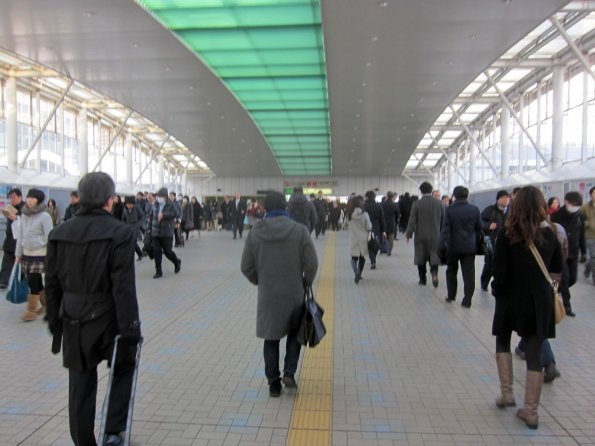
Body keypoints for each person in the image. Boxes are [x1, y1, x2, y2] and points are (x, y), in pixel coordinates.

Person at [45, 172, 141, 446]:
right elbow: (123, 287)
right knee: (123, 368)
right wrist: (131, 329)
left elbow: (51, 284)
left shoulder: (59, 233)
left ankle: (83, 440)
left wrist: (55, 323)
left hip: (73, 319)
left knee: (80, 384)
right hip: (110, 318)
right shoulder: (121, 233)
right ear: (109, 201)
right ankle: (112, 432)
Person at [491, 186, 563, 430]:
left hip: (510, 298)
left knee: (503, 340)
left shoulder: (508, 233)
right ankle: (531, 412)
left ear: (517, 205)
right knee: (534, 352)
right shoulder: (551, 233)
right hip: (539, 300)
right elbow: (556, 269)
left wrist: (497, 289)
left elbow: (498, 270)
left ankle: (507, 393)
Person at [241, 191, 318, 397]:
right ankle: (289, 372)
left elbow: (245, 266)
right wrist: (305, 281)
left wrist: (260, 280)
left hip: (268, 294)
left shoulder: (255, 233)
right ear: (285, 207)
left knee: (271, 337)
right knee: (294, 333)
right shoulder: (299, 231)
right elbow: (312, 263)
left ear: (264, 208)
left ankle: (273, 383)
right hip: (293, 291)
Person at [438, 186, 482, 308]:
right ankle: (467, 300)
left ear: (454, 196)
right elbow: (479, 228)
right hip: (469, 247)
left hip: (453, 246)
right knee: (469, 274)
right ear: (467, 196)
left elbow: (445, 230)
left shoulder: (450, 210)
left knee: (451, 271)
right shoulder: (475, 209)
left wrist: (440, 246)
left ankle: (451, 295)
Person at [15, 188, 53, 321]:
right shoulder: (24, 214)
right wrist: (18, 254)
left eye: (33, 197)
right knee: (35, 280)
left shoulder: (45, 216)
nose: (30, 199)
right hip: (26, 252)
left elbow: (50, 236)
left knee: (32, 280)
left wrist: (51, 255)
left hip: (40, 253)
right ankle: (47, 305)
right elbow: (20, 235)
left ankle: (31, 310)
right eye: (29, 197)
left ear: (39, 200)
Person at [551, 191, 586, 317]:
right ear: (566, 202)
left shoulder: (580, 216)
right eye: (573, 204)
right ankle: (566, 305)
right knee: (563, 279)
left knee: (572, 279)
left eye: (578, 205)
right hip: (560, 253)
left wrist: (584, 251)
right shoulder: (556, 216)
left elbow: (581, 234)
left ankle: (555, 290)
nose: (575, 207)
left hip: (573, 252)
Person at [405, 182, 444, 287]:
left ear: (421, 191)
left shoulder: (416, 203)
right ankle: (434, 274)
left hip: (421, 235)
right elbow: (444, 220)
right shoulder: (439, 203)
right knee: (434, 256)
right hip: (436, 235)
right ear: (431, 191)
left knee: (421, 257)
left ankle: (422, 279)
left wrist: (408, 234)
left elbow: (412, 220)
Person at [147, 187, 181, 279]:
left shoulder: (171, 204)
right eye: (158, 196)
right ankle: (158, 271)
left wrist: (164, 215)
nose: (159, 198)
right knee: (157, 252)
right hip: (155, 232)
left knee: (168, 252)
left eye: (160, 196)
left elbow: (177, 213)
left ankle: (177, 262)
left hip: (167, 232)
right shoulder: (155, 204)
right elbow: (151, 216)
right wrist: (149, 228)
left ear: (165, 197)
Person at [480, 190, 510, 292]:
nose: (506, 199)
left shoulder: (511, 211)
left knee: (502, 262)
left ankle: (499, 282)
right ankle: (484, 283)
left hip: (506, 241)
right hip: (489, 240)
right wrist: (488, 226)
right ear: (498, 199)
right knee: (489, 263)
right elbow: (479, 222)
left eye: (507, 197)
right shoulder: (490, 210)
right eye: (503, 197)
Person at [0, 188, 24, 289]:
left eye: (13, 197)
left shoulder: (25, 207)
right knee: (6, 262)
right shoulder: (10, 207)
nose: (12, 200)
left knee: (23, 264)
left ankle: (23, 284)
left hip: (21, 240)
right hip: (10, 239)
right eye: (10, 198)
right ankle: (3, 282)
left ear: (20, 197)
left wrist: (17, 217)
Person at [347, 195, 372, 283]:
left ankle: (356, 271)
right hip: (363, 238)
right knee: (362, 257)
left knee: (353, 258)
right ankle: (360, 273)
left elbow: (348, 225)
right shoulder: (365, 214)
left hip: (353, 238)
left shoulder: (349, 214)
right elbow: (369, 227)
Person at [363, 191, 386, 269]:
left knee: (370, 246)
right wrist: (383, 231)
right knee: (375, 246)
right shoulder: (378, 206)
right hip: (376, 229)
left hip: (366, 229)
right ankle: (373, 260)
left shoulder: (363, 206)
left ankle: (373, 261)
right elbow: (382, 219)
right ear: (374, 197)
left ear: (366, 197)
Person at [122, 196, 146, 261]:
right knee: (132, 243)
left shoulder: (137, 207)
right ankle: (140, 254)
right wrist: (124, 225)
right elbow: (123, 218)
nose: (129, 205)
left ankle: (136, 255)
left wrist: (138, 225)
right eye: (128, 204)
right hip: (128, 228)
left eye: (130, 204)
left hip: (136, 229)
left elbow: (143, 217)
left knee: (132, 242)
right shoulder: (125, 209)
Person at [581, 186, 595, 285]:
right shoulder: (585, 207)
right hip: (589, 235)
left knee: (593, 258)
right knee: (594, 257)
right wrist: (587, 224)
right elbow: (580, 220)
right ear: (591, 194)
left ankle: (587, 268)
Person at [381, 191, 399, 256]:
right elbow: (397, 214)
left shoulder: (382, 204)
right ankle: (389, 250)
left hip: (384, 223)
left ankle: (383, 249)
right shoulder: (394, 204)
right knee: (391, 238)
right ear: (392, 196)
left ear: (387, 196)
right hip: (391, 223)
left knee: (384, 237)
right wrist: (396, 221)